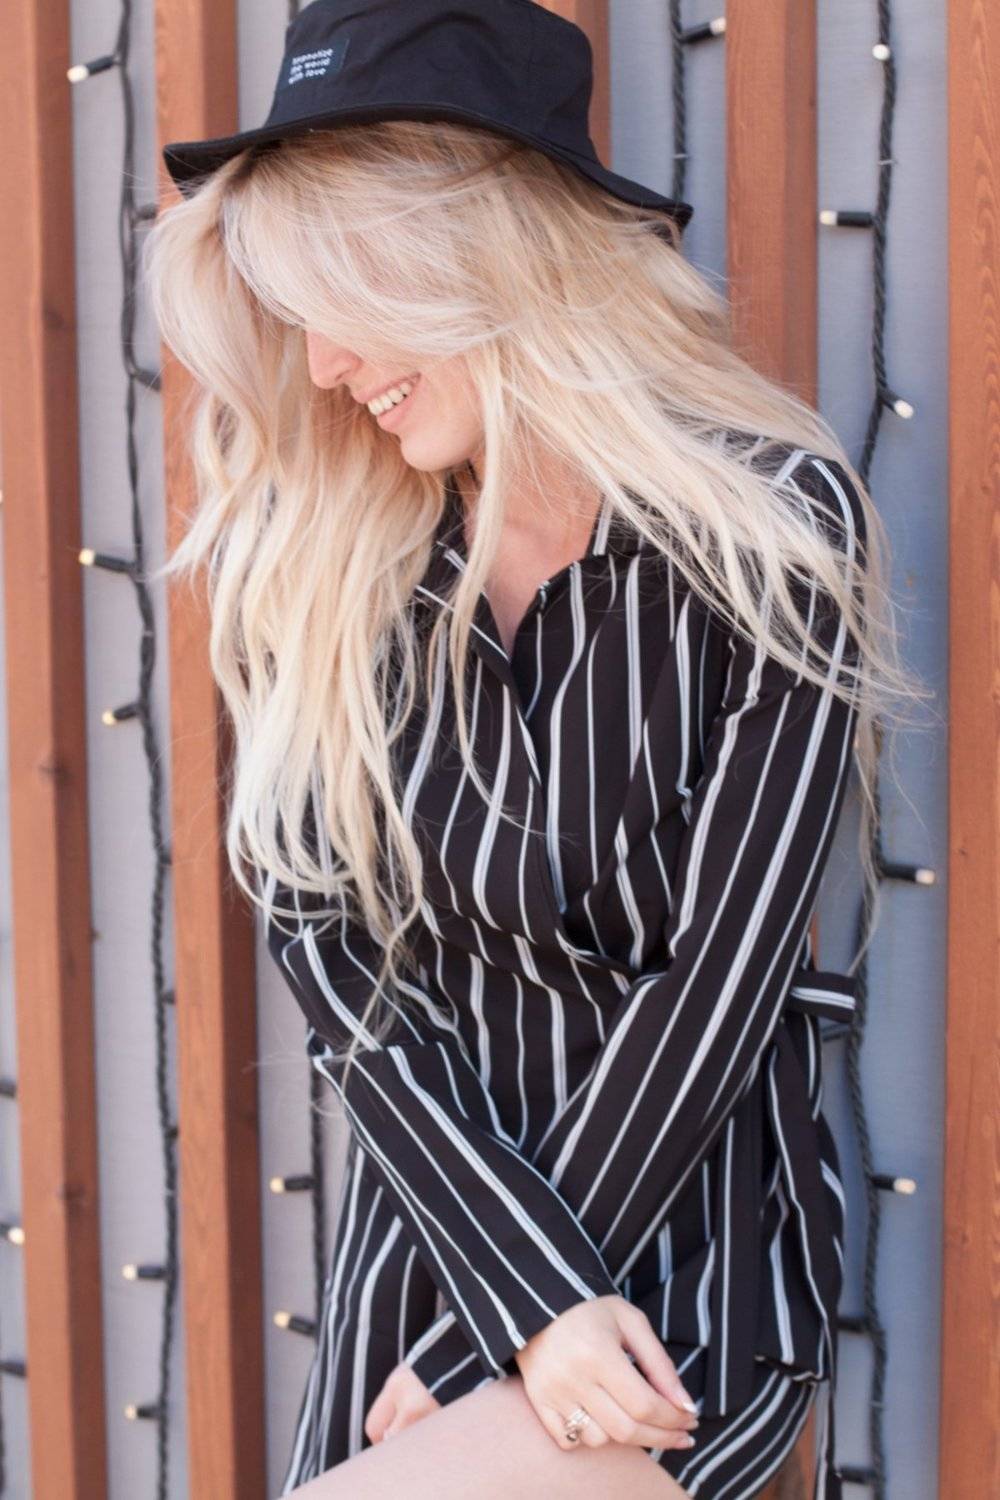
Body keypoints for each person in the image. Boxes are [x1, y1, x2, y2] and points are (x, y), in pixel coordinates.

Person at [149, 4, 922, 1497]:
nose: (324, 365)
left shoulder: (766, 527)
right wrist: (497, 1300)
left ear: (474, 252)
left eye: (342, 299)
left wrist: (508, 1334)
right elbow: (341, 977)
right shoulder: (332, 567)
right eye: (297, 316)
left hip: (677, 1261)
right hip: (431, 1244)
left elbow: (716, 985)